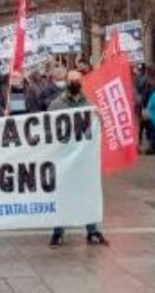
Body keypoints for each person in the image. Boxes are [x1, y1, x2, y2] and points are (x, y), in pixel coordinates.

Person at [47, 70, 108, 248]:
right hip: (64, 156)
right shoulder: (57, 104)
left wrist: (99, 119)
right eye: (72, 80)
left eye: (77, 80)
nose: (75, 83)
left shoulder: (88, 104)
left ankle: (92, 231)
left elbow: (98, 128)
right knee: (62, 194)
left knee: (87, 193)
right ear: (66, 82)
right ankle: (58, 232)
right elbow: (48, 127)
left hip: (82, 158)